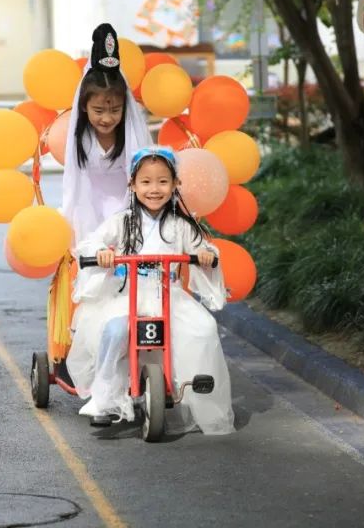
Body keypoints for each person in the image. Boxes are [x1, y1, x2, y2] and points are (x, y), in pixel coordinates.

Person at [67, 145, 235, 435]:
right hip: (128, 295)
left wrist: (206, 255)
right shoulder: (123, 222)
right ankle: (104, 395)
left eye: (162, 182)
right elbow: (91, 243)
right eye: (145, 182)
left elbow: (202, 248)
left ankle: (190, 389)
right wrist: (102, 253)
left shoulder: (182, 226)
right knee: (115, 331)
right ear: (132, 185)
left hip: (168, 296)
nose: (154, 189)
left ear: (175, 185)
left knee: (203, 328)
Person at [46, 23, 151, 381]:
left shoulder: (131, 137)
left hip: (126, 209)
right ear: (84, 108)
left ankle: (134, 353)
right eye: (99, 111)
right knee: (93, 281)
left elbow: (140, 178)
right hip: (89, 210)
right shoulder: (79, 139)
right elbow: (75, 184)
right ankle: (86, 352)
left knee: (134, 280)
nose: (107, 119)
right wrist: (71, 229)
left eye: (115, 111)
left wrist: (137, 221)